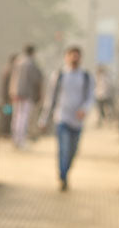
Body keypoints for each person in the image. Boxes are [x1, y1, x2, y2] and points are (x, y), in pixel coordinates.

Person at [38, 45, 95, 191]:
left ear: (80, 58)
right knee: (63, 148)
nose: (74, 59)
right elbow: (50, 99)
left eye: (77, 56)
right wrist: (44, 119)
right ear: (66, 57)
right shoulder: (59, 75)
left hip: (78, 120)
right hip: (61, 117)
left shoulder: (86, 77)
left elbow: (90, 97)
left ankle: (66, 171)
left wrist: (84, 109)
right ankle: (63, 177)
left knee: (72, 151)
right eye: (72, 55)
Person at [8, 45, 43, 148]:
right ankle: (21, 140)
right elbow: (37, 79)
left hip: (15, 94)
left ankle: (15, 139)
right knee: (23, 118)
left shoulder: (17, 62)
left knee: (16, 118)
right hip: (26, 94)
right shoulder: (30, 64)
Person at [0, 52, 16, 137]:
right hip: (7, 98)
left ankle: (5, 132)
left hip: (6, 97)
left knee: (7, 114)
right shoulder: (10, 71)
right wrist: (8, 97)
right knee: (7, 115)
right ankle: (5, 132)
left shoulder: (7, 69)